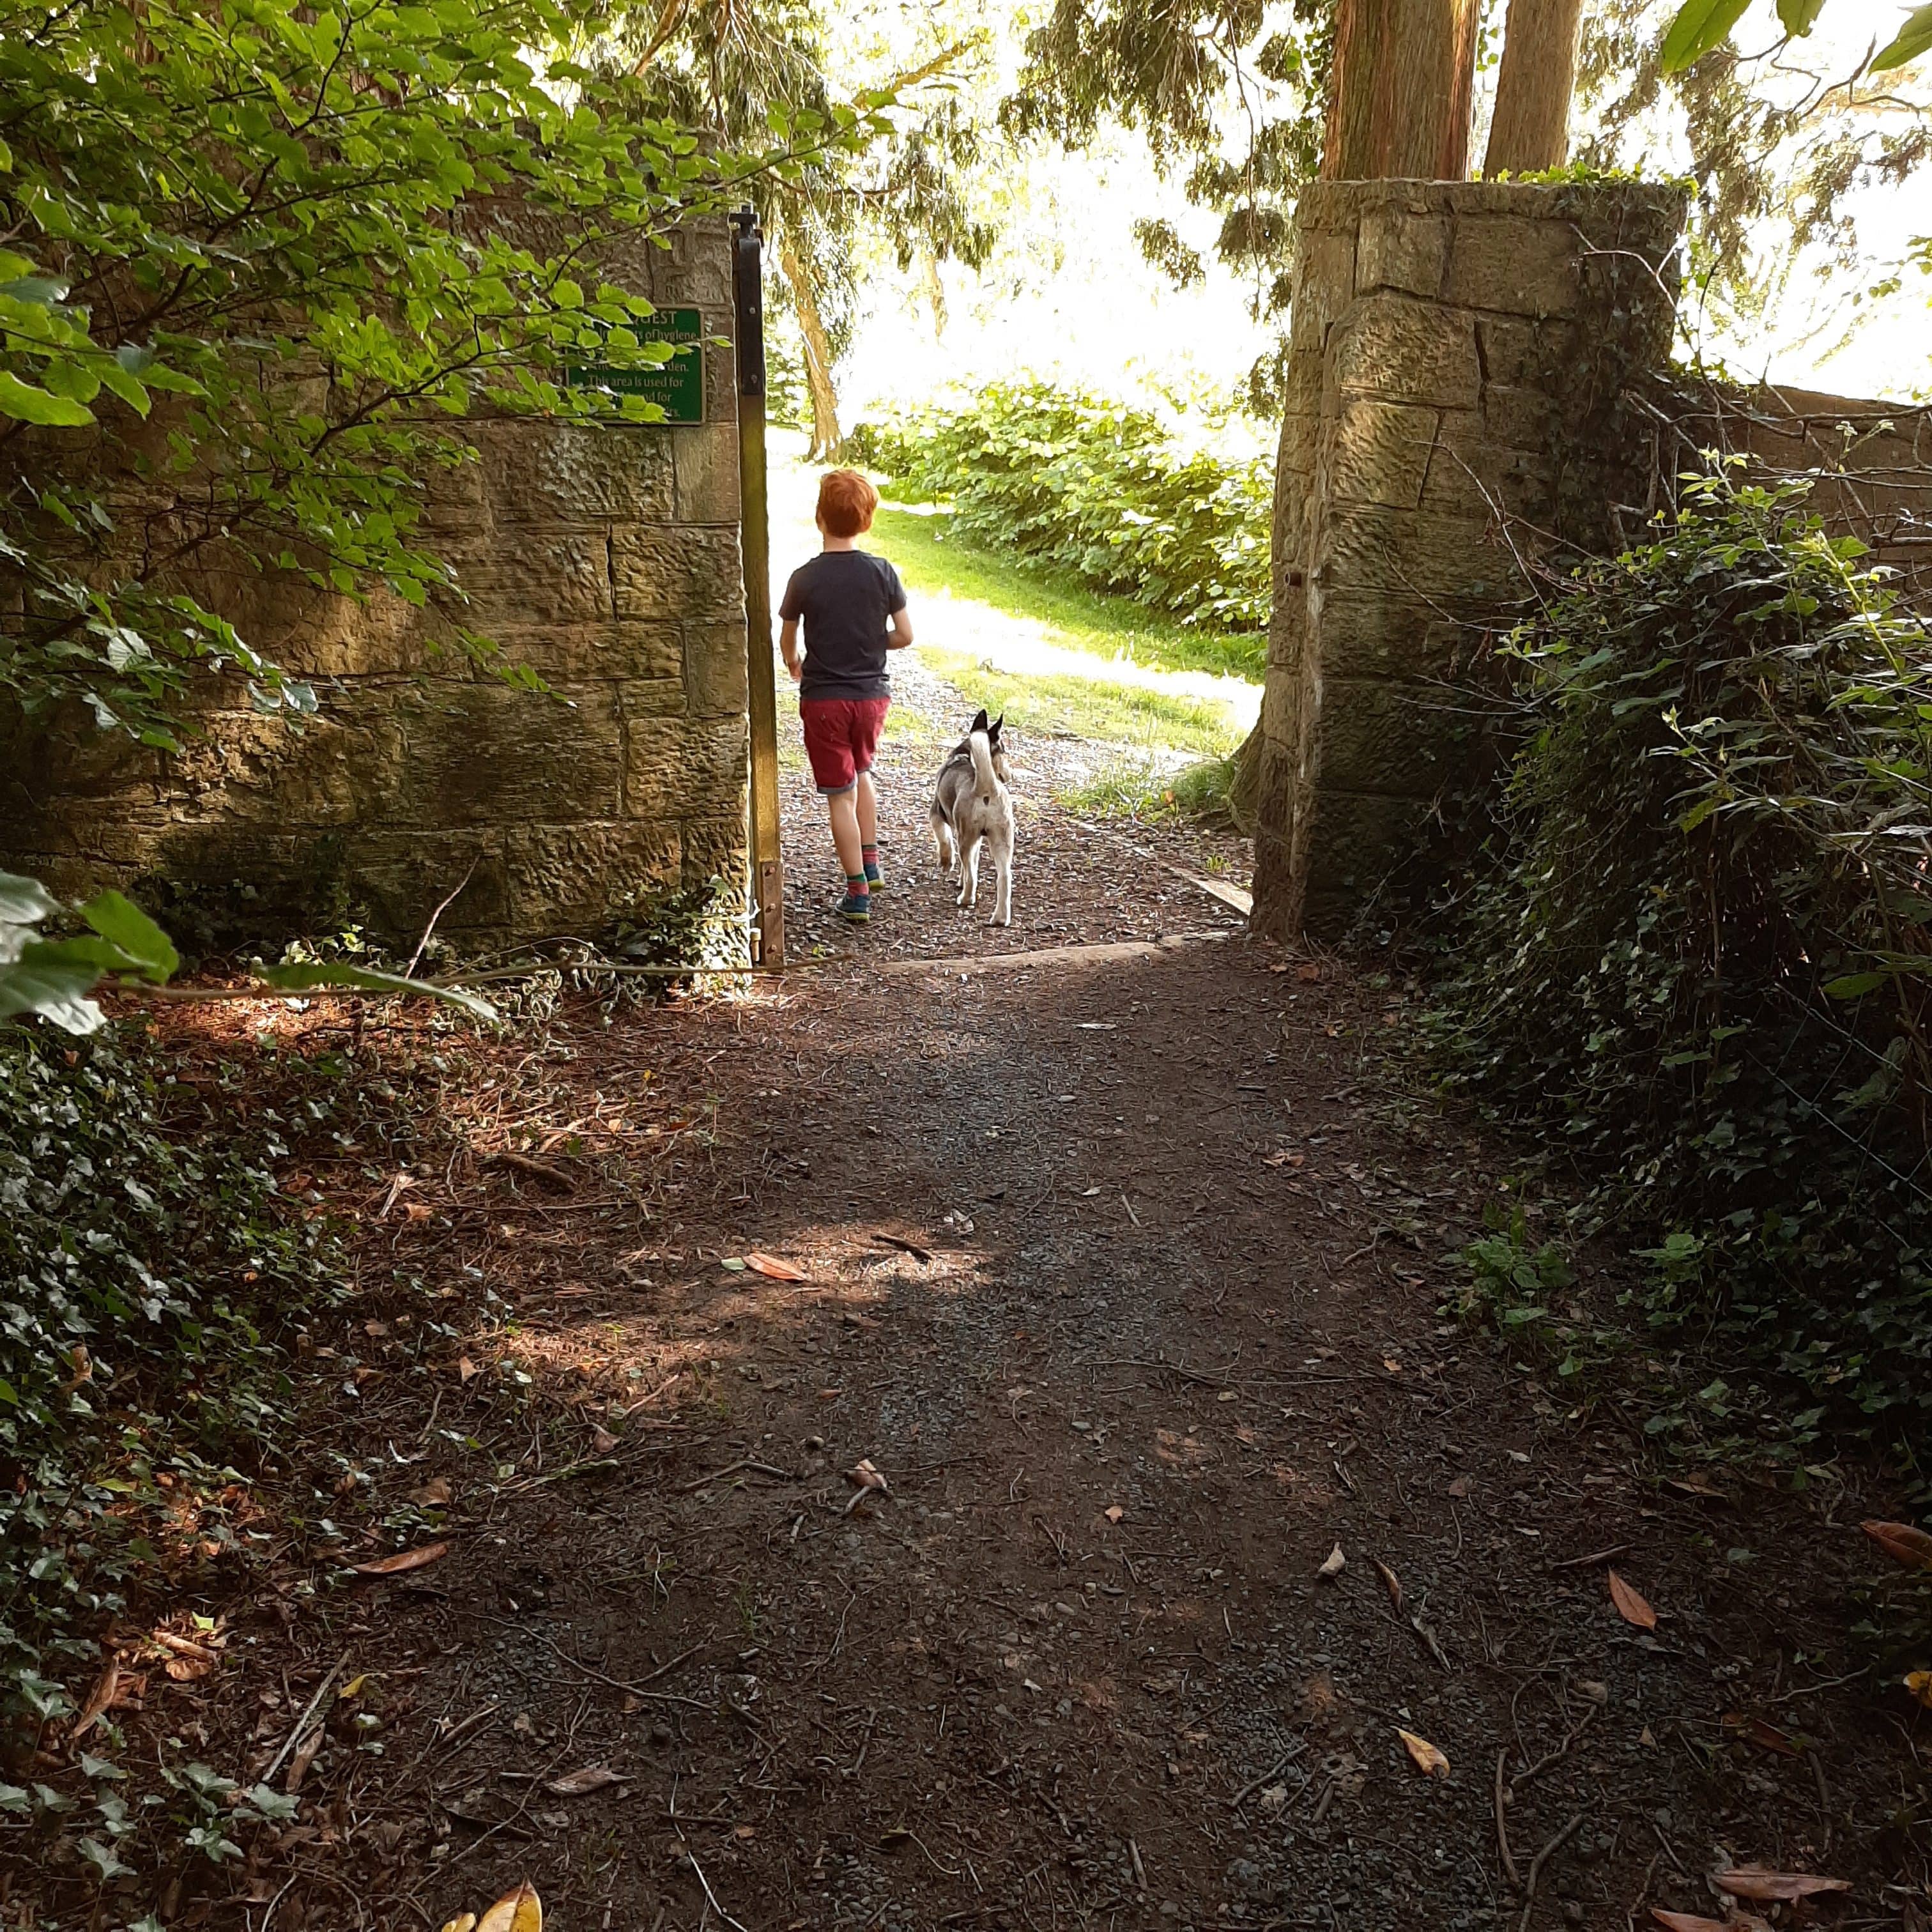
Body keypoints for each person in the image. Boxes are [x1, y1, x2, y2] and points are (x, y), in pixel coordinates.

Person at [778, 468, 913, 924]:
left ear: (819, 518)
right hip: (872, 698)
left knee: (841, 795)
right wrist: (877, 643)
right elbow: (906, 635)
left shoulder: (804, 577)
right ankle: (871, 861)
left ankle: (857, 892)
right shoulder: (882, 572)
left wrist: (795, 663)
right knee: (864, 771)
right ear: (867, 521)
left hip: (825, 701)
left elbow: (788, 638)